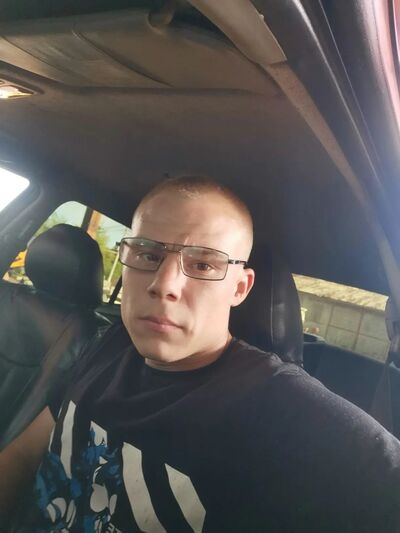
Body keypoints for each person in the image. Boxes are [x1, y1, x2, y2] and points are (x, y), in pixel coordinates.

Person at [1, 176, 400, 532]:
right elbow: (23, 455)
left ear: (240, 289)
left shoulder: (280, 407)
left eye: (204, 265)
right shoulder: (108, 343)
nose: (164, 284)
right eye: (148, 254)